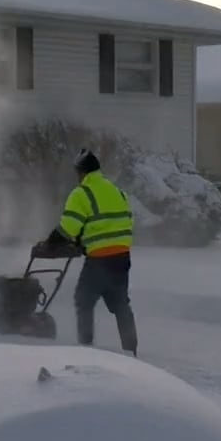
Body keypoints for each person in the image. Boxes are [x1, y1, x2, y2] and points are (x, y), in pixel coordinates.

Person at [34, 148, 139, 356]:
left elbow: (68, 228)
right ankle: (131, 350)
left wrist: (50, 244)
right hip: (122, 257)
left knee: (83, 300)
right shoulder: (116, 191)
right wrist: (86, 241)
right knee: (120, 304)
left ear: (81, 172)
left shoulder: (82, 193)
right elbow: (121, 223)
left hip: (100, 260)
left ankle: (86, 349)